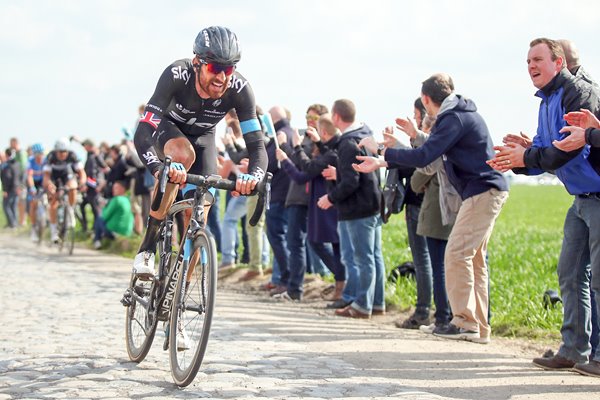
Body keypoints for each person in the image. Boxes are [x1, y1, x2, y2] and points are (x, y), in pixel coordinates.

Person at [355, 73, 508, 342]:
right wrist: (412, 138)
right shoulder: (457, 115)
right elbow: (431, 163)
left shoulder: (452, 117)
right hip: (486, 190)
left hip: (481, 191)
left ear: (426, 99)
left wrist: (383, 156)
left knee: (457, 253)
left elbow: (426, 156)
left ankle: (464, 322)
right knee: (473, 259)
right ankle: (479, 326)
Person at [489, 38, 600, 376]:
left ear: (558, 61)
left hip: (597, 196)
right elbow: (544, 151)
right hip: (579, 200)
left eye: (537, 59)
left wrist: (529, 155)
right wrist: (518, 160)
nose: (531, 66)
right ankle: (572, 350)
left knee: (598, 280)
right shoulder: (546, 99)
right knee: (569, 273)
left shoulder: (577, 92)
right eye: (527, 62)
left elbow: (568, 149)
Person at [132, 26, 267, 287]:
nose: (223, 77)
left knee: (199, 219)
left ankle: (178, 291)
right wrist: (158, 167)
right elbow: (143, 132)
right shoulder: (176, 75)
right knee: (182, 155)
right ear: (198, 63)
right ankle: (147, 249)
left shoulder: (240, 89)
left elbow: (257, 146)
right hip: (168, 130)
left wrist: (254, 177)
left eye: (229, 69)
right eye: (216, 68)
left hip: (205, 139)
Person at [318, 99, 384, 318]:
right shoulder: (365, 134)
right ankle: (376, 303)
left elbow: (350, 181)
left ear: (336, 117)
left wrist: (331, 197)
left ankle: (361, 305)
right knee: (374, 257)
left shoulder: (347, 143)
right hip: (373, 203)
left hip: (358, 207)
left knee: (361, 259)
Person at [43, 139, 86, 242]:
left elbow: (82, 173)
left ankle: (70, 210)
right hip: (54, 177)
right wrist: (49, 185)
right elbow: (46, 176)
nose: (63, 154)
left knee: (73, 186)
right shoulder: (50, 157)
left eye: (65, 151)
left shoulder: (72, 155)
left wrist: (82, 182)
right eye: (60, 152)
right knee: (53, 202)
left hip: (67, 176)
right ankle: (54, 232)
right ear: (56, 151)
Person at [93, 180, 133, 249]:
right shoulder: (128, 199)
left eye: (116, 188)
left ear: (123, 189)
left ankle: (97, 241)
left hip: (115, 232)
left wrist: (103, 207)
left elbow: (105, 216)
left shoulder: (116, 199)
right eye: (113, 188)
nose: (113, 190)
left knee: (99, 219)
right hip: (127, 232)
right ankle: (97, 239)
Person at [80, 139, 107, 235]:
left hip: (93, 187)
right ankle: (89, 228)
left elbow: (92, 173)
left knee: (96, 211)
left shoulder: (94, 155)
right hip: (92, 186)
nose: (83, 148)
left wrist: (88, 185)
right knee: (84, 206)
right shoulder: (91, 154)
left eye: (85, 146)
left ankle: (98, 233)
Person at [26, 144, 46, 241]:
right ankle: (33, 227)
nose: (39, 156)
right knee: (33, 204)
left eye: (41, 154)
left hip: (43, 182)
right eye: (37, 154)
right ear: (34, 154)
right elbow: (29, 176)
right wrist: (32, 188)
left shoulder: (46, 161)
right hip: (33, 182)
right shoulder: (30, 161)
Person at [1, 148, 21, 228]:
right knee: (13, 206)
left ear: (6, 155)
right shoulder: (17, 164)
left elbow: (6, 177)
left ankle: (12, 223)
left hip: (10, 189)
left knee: (6, 206)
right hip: (17, 188)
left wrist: (5, 190)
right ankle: (13, 223)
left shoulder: (6, 165)